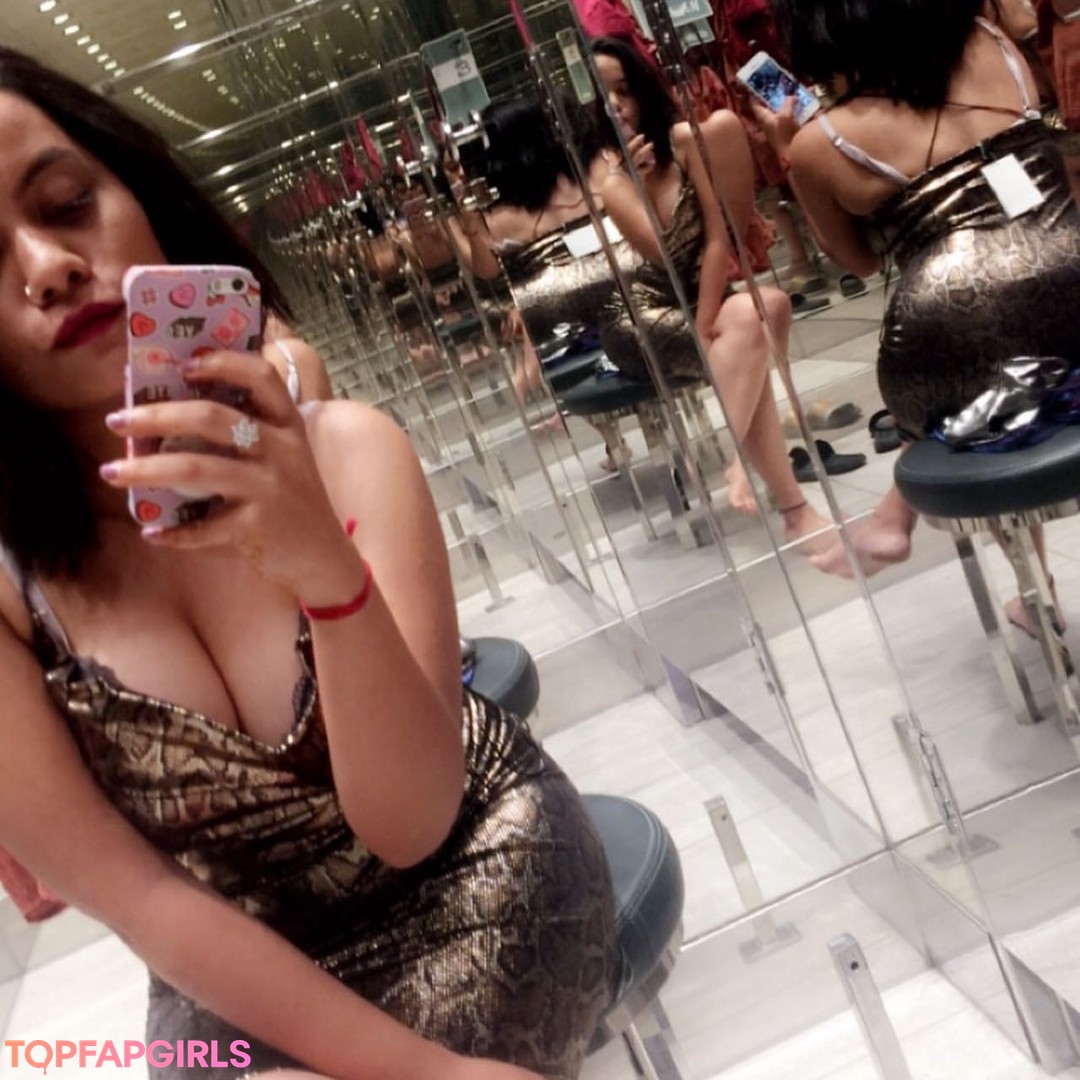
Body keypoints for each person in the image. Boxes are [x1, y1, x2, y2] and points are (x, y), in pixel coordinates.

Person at [0, 45, 615, 1079]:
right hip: (231, 969)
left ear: (140, 196)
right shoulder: (16, 597)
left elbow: (411, 825)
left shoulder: (347, 452)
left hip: (475, 873)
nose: (47, 264)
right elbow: (144, 902)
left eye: (67, 203)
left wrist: (325, 573)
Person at [768, 0, 1080, 628]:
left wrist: (786, 147)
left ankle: (1031, 586)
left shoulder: (821, 141)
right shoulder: (992, 43)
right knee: (1007, 346)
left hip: (944, 329)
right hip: (1069, 277)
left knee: (966, 390)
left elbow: (858, 261)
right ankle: (899, 518)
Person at [589, 36, 832, 548]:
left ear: (643, 90)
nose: (616, 105)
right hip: (640, 312)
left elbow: (721, 235)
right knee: (754, 319)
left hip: (701, 300)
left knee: (769, 306)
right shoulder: (609, 178)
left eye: (624, 90)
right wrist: (632, 184)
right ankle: (784, 500)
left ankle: (756, 476)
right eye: (603, 94)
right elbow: (662, 254)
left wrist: (703, 322)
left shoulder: (684, 141)